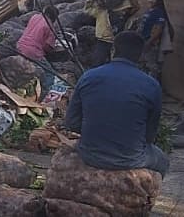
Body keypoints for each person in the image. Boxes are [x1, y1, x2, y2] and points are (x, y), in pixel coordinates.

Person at [65, 30, 169, 176]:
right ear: (140, 55)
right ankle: (148, 197)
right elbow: (150, 135)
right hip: (131, 158)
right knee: (163, 161)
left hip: (90, 154)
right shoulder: (151, 85)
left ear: (113, 50)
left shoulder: (88, 77)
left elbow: (71, 122)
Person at [17, 6, 61, 98]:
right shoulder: (50, 26)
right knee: (50, 73)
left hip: (20, 45)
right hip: (33, 52)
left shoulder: (35, 17)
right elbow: (48, 47)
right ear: (54, 17)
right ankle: (44, 96)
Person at [138, 0, 174, 82]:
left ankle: (152, 87)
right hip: (143, 42)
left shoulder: (159, 13)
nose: (150, 0)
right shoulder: (149, 11)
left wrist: (149, 42)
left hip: (151, 44)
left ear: (158, 1)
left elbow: (158, 29)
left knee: (152, 67)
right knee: (142, 66)